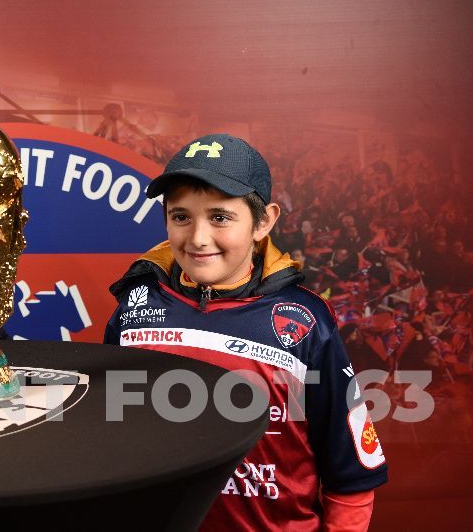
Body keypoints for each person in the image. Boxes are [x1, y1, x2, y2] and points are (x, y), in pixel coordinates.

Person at [104, 134, 387, 531]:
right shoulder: (134, 308)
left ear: (264, 221)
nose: (198, 238)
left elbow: (352, 481)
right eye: (181, 216)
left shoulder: (304, 321)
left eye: (220, 217)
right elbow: (113, 446)